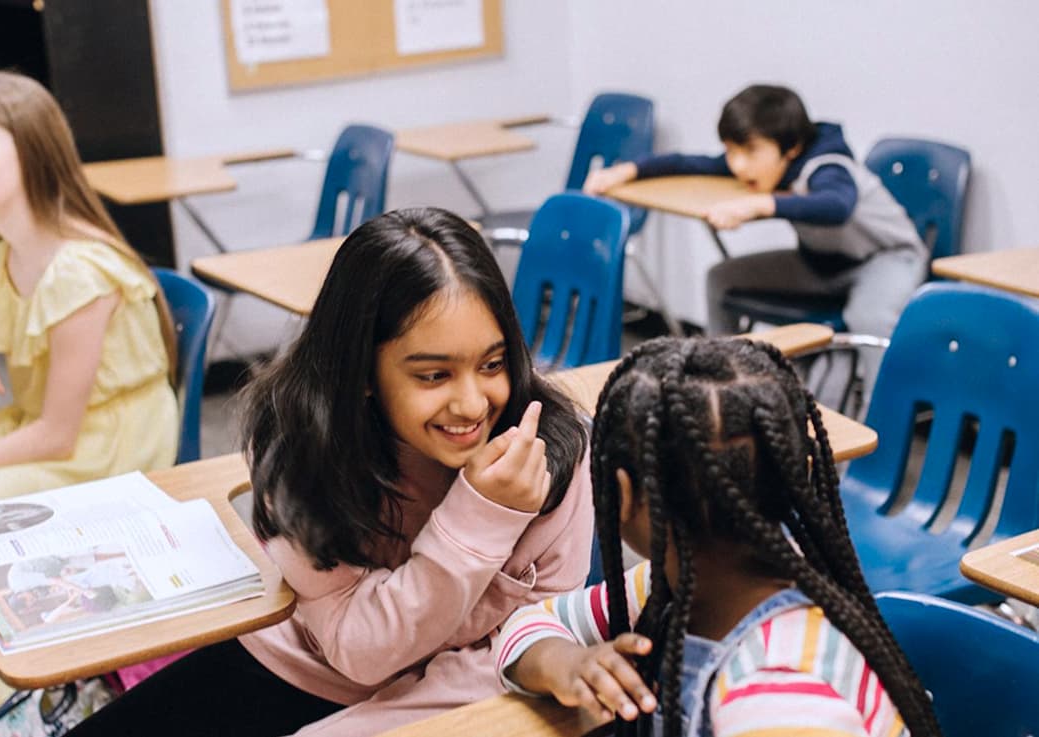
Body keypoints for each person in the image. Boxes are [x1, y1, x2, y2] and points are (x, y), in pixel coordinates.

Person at [66, 207, 594, 737]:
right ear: (361, 372)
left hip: (455, 695)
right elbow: (362, 653)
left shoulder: (554, 452)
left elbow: (526, 646)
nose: (473, 403)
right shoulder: (305, 450)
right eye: (434, 375)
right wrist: (479, 518)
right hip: (302, 668)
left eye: (492, 364)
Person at [494, 337, 942, 737]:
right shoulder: (667, 587)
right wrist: (567, 663)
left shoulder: (778, 699)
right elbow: (521, 626)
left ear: (622, 495)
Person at [0, 70, 179, 735]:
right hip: (50, 427)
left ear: (30, 147)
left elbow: (59, 436)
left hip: (105, 446)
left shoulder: (78, 270)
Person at [584, 84, 926, 345]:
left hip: (887, 259)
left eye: (750, 151)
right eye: (731, 150)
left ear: (791, 148)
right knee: (721, 279)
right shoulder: (761, 164)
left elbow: (837, 206)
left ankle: (878, 411)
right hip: (821, 264)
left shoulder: (830, 166)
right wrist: (625, 171)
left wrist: (760, 204)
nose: (737, 164)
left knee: (868, 317)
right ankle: (723, 380)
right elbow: (689, 162)